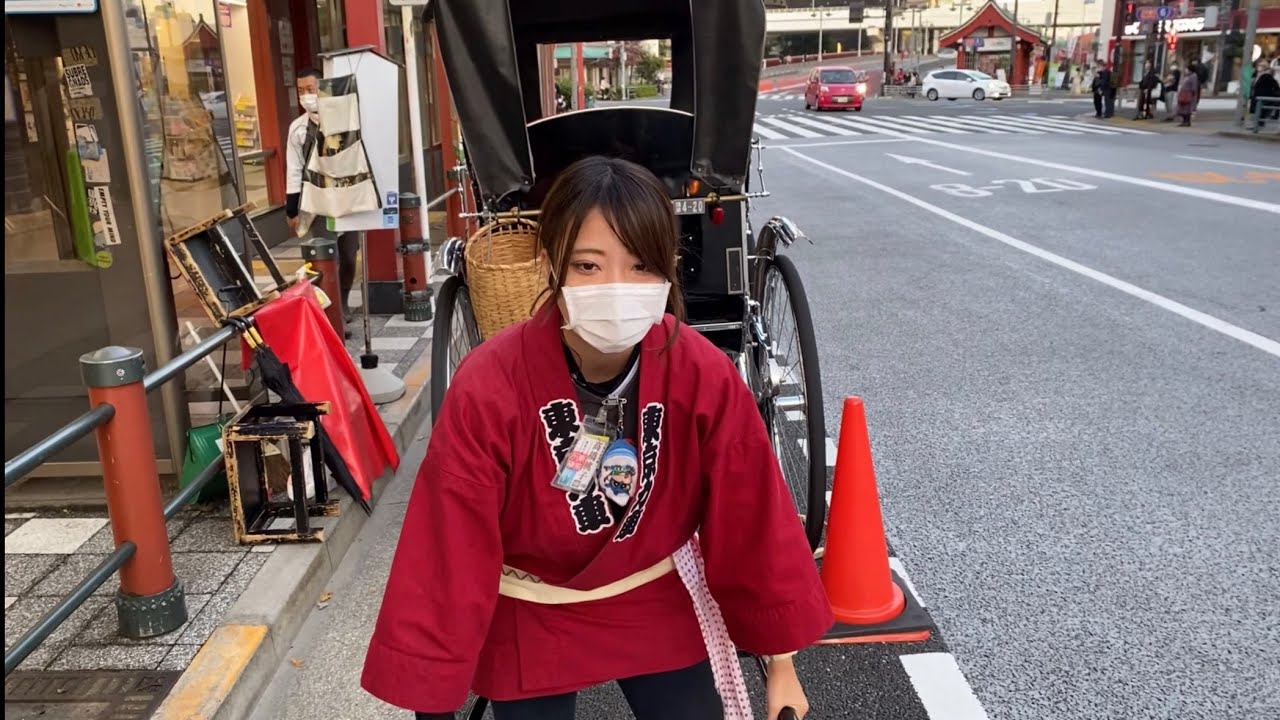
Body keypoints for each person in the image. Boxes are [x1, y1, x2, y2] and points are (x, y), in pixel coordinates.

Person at [361, 155, 834, 720]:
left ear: (669, 270)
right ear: (549, 265)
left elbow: (752, 516)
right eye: (588, 266)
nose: (617, 288)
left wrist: (780, 663)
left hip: (650, 590)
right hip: (532, 603)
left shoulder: (700, 373)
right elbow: (447, 549)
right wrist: (430, 700)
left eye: (641, 266)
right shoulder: (489, 385)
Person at [285, 68, 360, 333]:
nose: (306, 96)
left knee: (349, 257)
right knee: (326, 259)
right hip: (316, 204)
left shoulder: (342, 120)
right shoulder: (298, 130)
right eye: (301, 90)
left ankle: (343, 302)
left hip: (346, 201)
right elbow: (293, 171)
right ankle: (332, 317)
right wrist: (292, 210)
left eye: (311, 89)